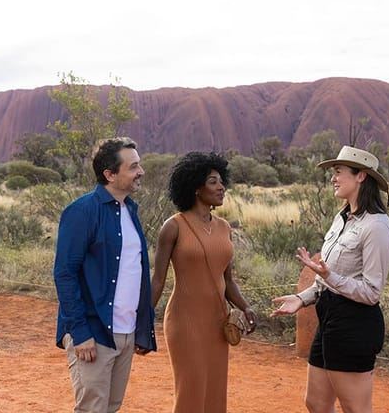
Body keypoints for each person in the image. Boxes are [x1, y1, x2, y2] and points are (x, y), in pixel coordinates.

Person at [271, 145, 389, 413]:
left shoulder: (376, 226)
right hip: (328, 317)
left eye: (338, 171)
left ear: (361, 176)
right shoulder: (341, 219)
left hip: (355, 323)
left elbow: (372, 292)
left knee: (355, 408)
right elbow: (326, 280)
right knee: (316, 403)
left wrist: (330, 276)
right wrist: (301, 299)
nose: (333, 178)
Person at [53, 137, 157, 413]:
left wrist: (141, 329)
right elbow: (65, 274)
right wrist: (80, 332)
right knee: (92, 408)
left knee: (111, 406)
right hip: (93, 331)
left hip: (125, 330)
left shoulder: (130, 209)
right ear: (110, 175)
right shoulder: (81, 212)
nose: (141, 172)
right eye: (133, 167)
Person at [151, 151, 258, 413]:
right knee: (191, 390)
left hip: (218, 322)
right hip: (184, 321)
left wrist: (246, 307)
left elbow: (228, 280)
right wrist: (142, 319)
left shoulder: (224, 228)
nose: (221, 187)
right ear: (196, 187)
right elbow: (158, 280)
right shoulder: (173, 226)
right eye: (213, 181)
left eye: (222, 181)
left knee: (214, 392)